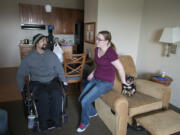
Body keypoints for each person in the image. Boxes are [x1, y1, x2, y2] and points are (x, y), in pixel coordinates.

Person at [77, 31, 128, 132]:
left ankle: (85, 122)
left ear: (107, 41)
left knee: (84, 101)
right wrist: (92, 73)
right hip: (96, 78)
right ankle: (92, 112)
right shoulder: (96, 49)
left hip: (106, 82)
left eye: (99, 39)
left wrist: (124, 82)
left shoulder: (110, 53)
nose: (96, 41)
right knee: (80, 98)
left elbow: (120, 68)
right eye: (96, 38)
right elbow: (99, 65)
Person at [17, 34, 67, 132]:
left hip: (52, 80)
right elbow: (20, 74)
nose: (45, 42)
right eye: (42, 41)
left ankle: (56, 120)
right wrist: (21, 90)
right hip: (37, 82)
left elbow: (60, 69)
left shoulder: (52, 55)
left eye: (45, 40)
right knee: (43, 96)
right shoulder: (29, 58)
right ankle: (43, 123)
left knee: (57, 94)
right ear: (36, 43)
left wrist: (64, 82)